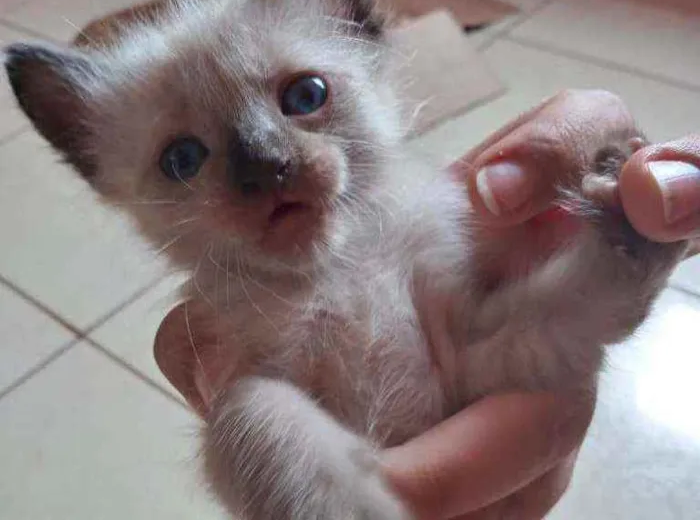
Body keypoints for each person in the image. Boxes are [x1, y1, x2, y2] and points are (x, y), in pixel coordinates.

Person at [154, 90, 700, 520]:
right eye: (183, 161)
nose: (264, 165)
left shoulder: (432, 215)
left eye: (304, 97)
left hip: (472, 377)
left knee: (534, 341)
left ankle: (623, 254)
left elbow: (508, 354)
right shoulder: (231, 319)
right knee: (249, 411)